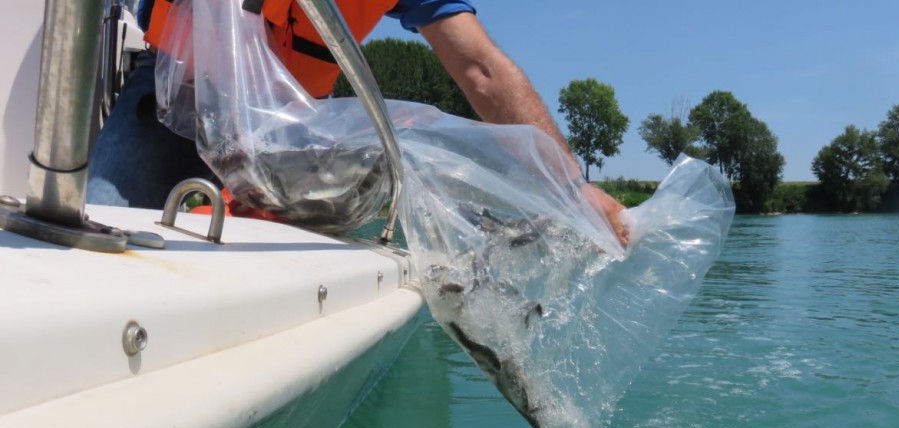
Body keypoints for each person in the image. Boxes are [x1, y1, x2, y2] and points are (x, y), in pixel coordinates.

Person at [87, 0, 629, 244]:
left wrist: (572, 185)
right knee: (99, 228)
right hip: (170, 103)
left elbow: (480, 68)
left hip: (285, 137)